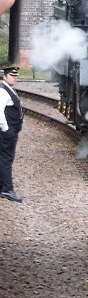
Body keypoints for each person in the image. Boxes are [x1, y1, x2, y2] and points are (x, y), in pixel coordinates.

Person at [0, 65, 24, 202]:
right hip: (7, 131)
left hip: (10, 130)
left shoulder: (8, 89)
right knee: (6, 159)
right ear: (5, 76)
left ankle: (2, 187)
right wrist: (6, 129)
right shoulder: (3, 91)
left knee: (3, 157)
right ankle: (8, 190)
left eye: (15, 76)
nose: (14, 78)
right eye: (12, 76)